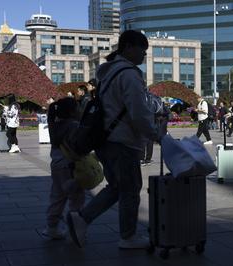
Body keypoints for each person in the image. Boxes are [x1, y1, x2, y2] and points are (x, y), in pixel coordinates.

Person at [66, 30, 159, 249]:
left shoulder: (108, 73)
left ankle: (82, 218)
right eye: (142, 50)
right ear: (128, 47)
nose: (144, 56)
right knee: (129, 189)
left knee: (117, 187)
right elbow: (138, 111)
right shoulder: (129, 74)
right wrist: (155, 134)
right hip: (122, 141)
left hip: (105, 140)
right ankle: (128, 236)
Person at [43, 97, 85, 240]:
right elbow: (78, 145)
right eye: (78, 108)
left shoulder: (54, 124)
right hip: (71, 166)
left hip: (56, 165)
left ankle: (51, 227)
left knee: (57, 197)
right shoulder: (74, 125)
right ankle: (75, 228)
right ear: (72, 111)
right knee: (76, 198)